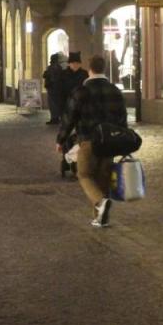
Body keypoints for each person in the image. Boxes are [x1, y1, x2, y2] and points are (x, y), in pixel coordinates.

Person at [55, 55, 127, 228]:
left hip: (88, 140)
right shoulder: (114, 91)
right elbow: (123, 118)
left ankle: (100, 203)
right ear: (104, 69)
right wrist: (123, 141)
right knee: (102, 178)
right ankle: (100, 217)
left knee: (84, 174)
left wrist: (61, 139)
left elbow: (69, 117)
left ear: (90, 69)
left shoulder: (81, 91)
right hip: (109, 142)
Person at [59, 52, 89, 121]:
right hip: (67, 102)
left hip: (81, 103)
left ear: (80, 64)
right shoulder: (63, 74)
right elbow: (60, 90)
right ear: (69, 64)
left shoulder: (84, 73)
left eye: (77, 63)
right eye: (73, 63)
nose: (75, 65)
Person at [43, 53, 66, 125]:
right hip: (58, 88)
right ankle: (58, 118)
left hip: (52, 88)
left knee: (52, 104)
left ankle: (54, 118)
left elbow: (45, 75)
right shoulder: (59, 67)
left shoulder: (51, 67)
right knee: (57, 103)